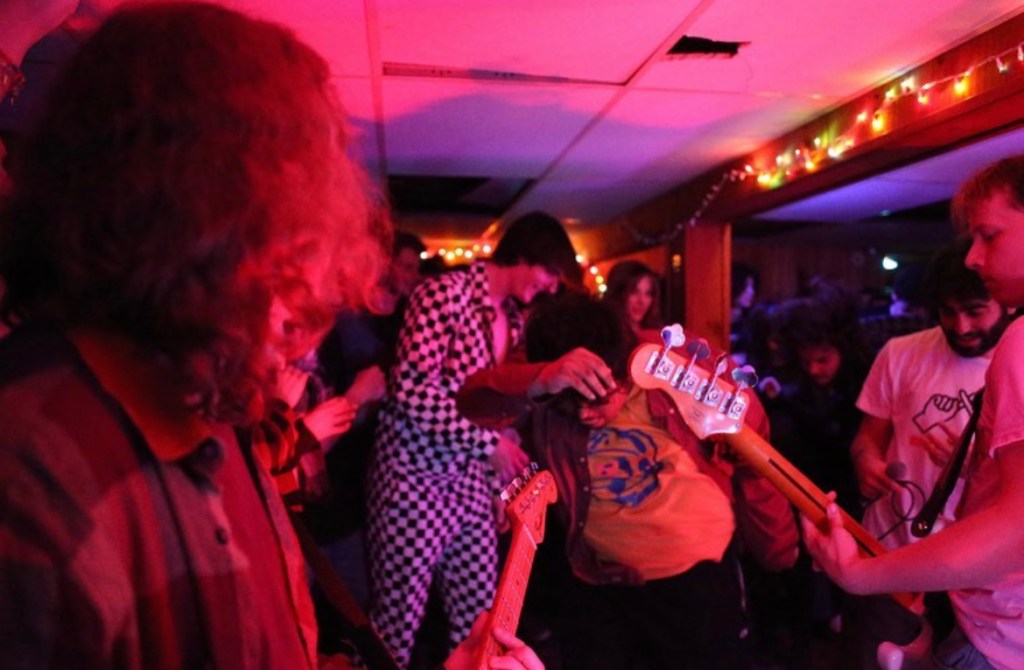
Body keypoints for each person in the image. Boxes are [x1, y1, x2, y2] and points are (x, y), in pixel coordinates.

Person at [0, 4, 540, 669]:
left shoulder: (222, 413)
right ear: (199, 215)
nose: (313, 289)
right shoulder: (38, 471)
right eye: (295, 230)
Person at [456, 291, 798, 670]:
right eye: (569, 405)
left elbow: (755, 450)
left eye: (597, 400)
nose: (584, 415)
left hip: (696, 581)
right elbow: (472, 403)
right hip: (598, 584)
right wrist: (541, 380)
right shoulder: (547, 362)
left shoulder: (671, 359)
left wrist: (777, 546)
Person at [804, 154, 1024, 670]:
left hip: (998, 635)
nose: (974, 257)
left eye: (989, 236)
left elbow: (1017, 528)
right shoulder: (903, 353)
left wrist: (857, 573)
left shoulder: (1019, 344)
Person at [366, 211, 580, 668]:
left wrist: (499, 488)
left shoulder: (512, 320)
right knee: (395, 630)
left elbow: (493, 414)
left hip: (468, 488)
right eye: (549, 272)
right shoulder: (443, 293)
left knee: (485, 625)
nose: (550, 286)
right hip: (414, 484)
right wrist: (490, 446)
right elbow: (409, 388)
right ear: (525, 255)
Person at [841, 239, 1010, 668]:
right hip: (888, 552)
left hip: (972, 571)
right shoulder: (900, 353)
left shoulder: (1015, 366)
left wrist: (976, 464)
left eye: (974, 311)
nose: (961, 326)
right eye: (947, 312)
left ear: (1004, 304)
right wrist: (867, 464)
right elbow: (866, 439)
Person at [602, 259, 662, 338]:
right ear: (619, 293)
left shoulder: (657, 332)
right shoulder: (606, 335)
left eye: (648, 293)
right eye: (634, 292)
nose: (642, 301)